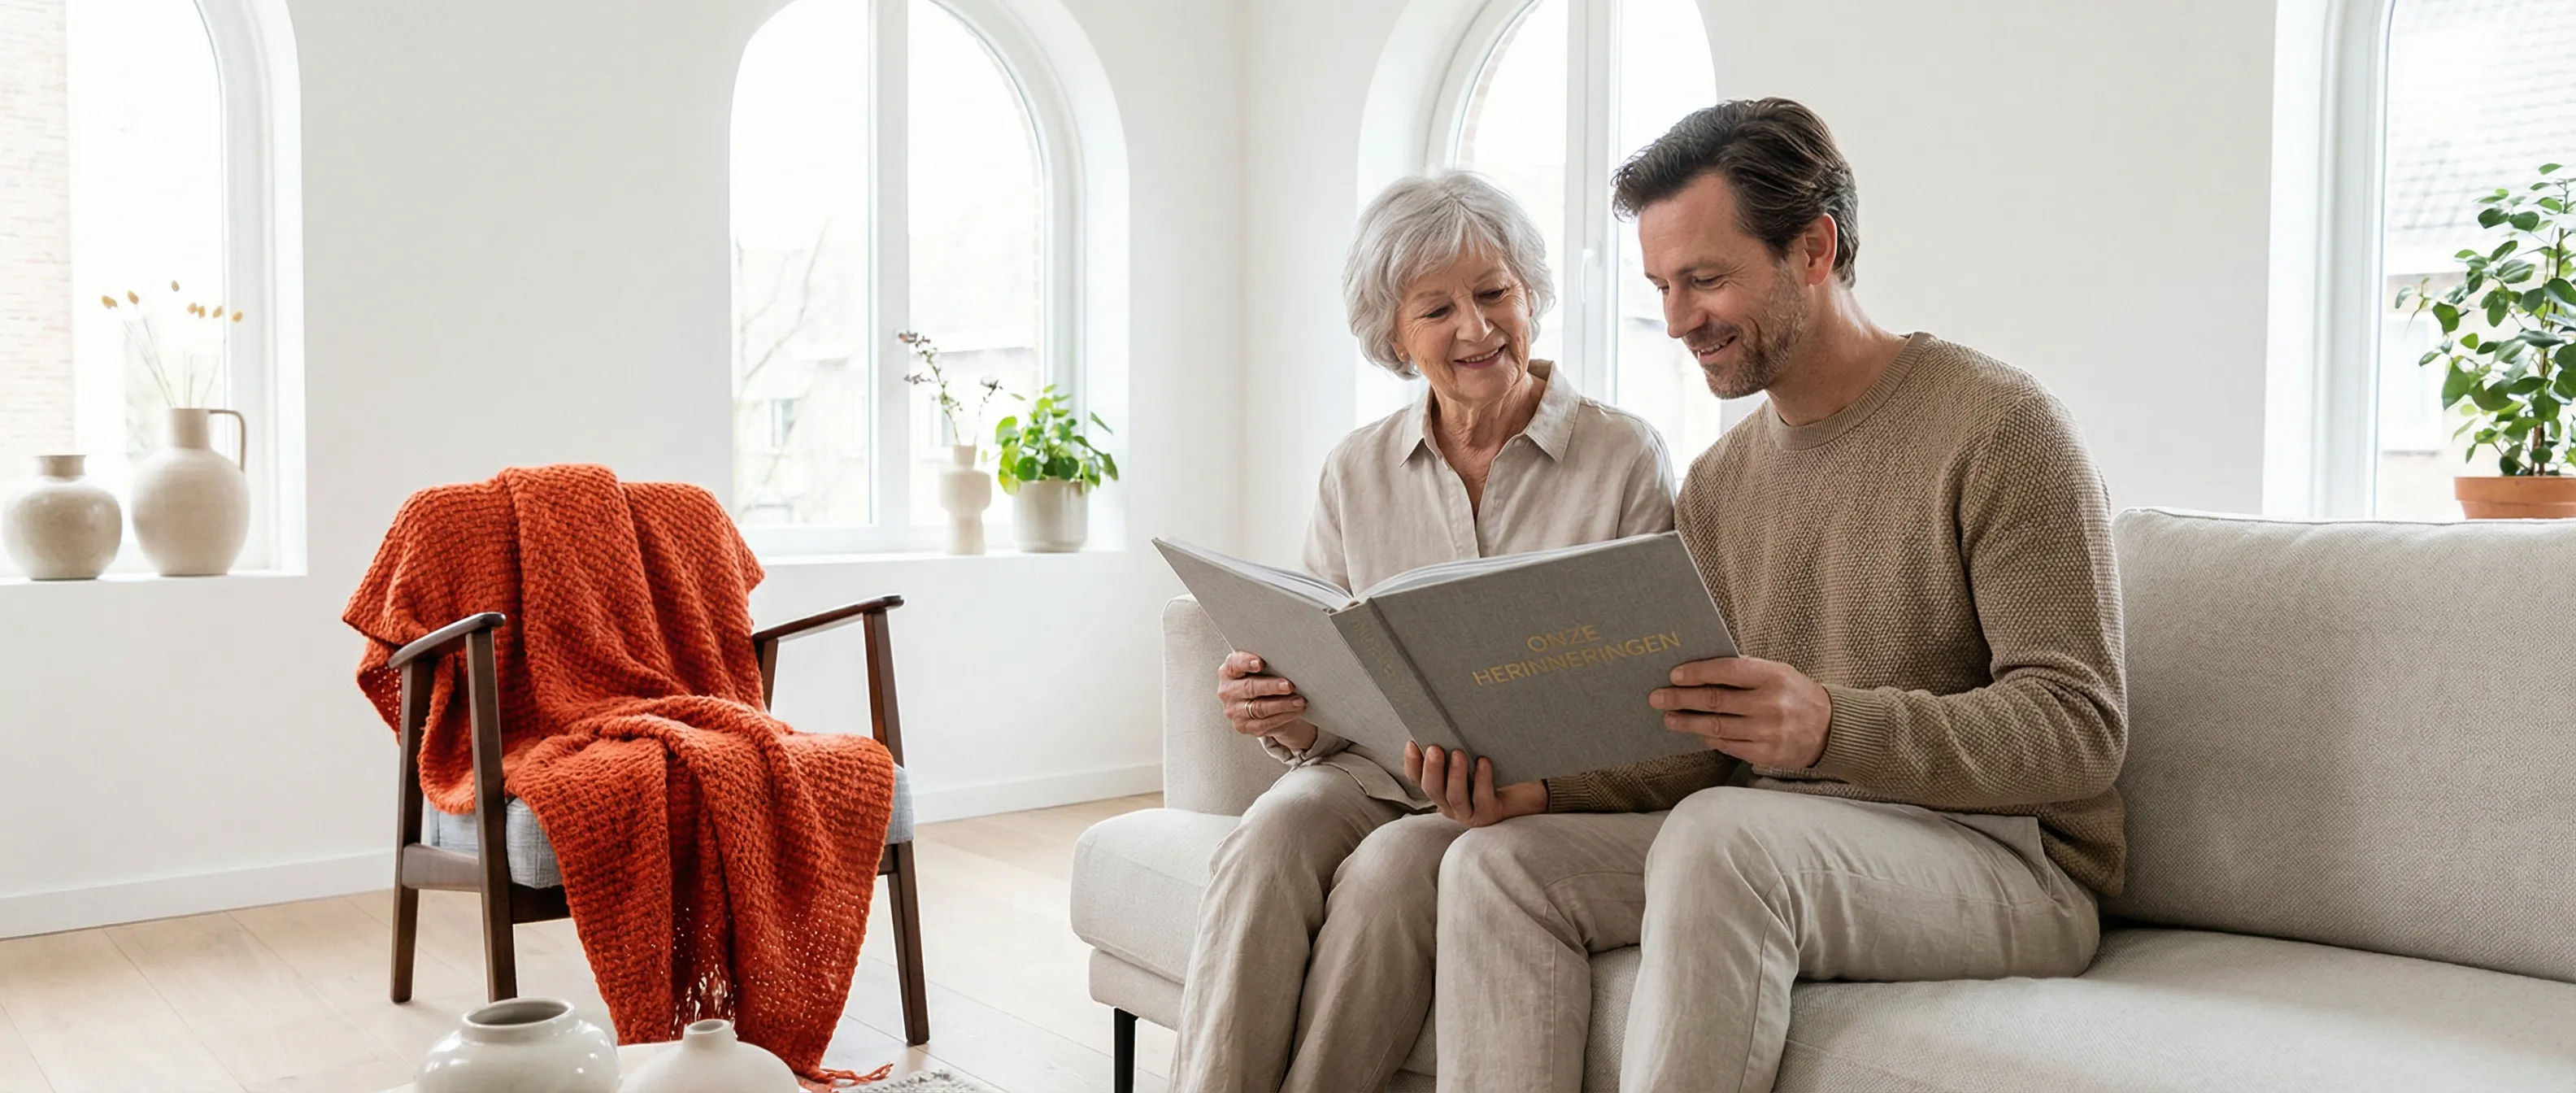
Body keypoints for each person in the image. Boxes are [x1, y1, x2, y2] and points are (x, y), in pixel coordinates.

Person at [1432, 98, 2125, 1093]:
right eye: (1663, 285)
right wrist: (1539, 793)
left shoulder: (2002, 427)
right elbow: (1701, 739)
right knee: (1496, 866)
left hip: (2009, 856)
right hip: (1786, 840)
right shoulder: (1719, 484)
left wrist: (1833, 725)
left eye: (1705, 279)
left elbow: (2079, 728)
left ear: (1814, 246)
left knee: (1725, 837)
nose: (1677, 321)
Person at [1172, 171, 1691, 1093]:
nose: (1476, 328)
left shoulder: (1623, 455)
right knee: (1268, 834)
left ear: (1530, 294)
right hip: (1374, 767)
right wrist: (1279, 708)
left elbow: (1649, 669)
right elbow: (1323, 681)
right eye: (1437, 308)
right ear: (1395, 335)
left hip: (1528, 790)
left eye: (1495, 293)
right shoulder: (1357, 468)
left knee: (1390, 872)